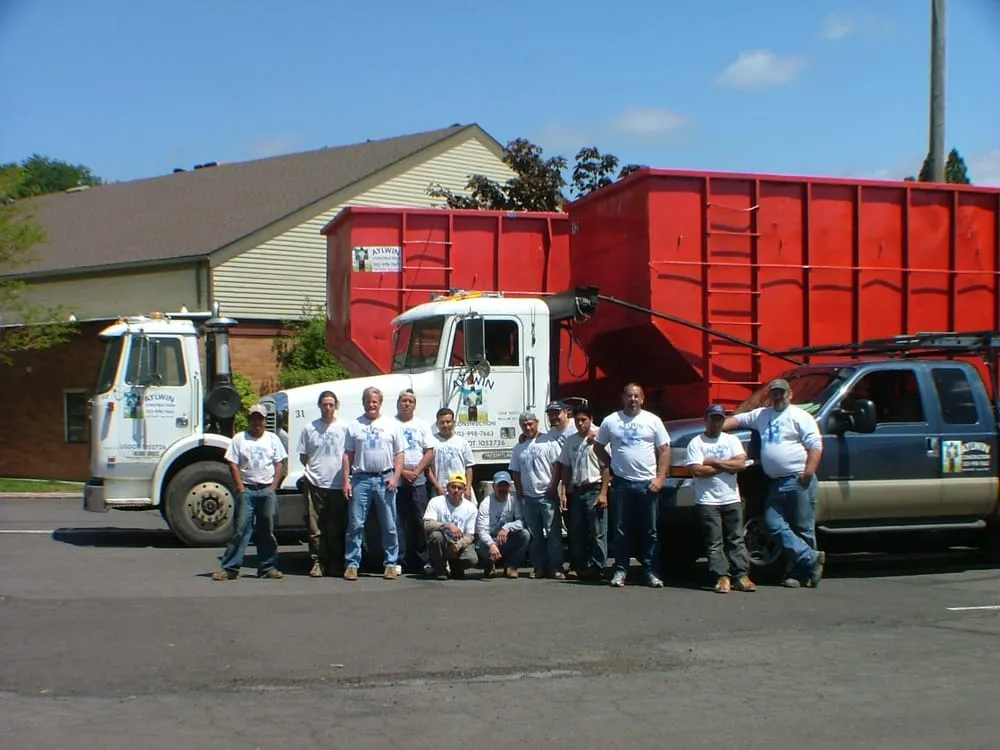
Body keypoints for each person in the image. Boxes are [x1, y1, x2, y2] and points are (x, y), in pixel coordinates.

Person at [723, 378, 826, 588]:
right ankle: (810, 558)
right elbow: (736, 421)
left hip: (798, 478)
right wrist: (712, 427)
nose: (777, 396)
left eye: (781, 392)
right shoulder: (762, 415)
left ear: (790, 395)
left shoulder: (800, 417)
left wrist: (809, 471)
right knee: (772, 522)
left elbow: (816, 445)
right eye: (774, 393)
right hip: (775, 482)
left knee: (803, 528)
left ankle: (804, 574)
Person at [593, 383, 669, 589]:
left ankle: (650, 571)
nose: (632, 399)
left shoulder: (653, 420)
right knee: (621, 530)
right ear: (623, 398)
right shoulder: (611, 421)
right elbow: (597, 446)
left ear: (642, 399)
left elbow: (664, 450)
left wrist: (660, 478)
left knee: (650, 531)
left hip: (647, 484)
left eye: (636, 396)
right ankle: (620, 570)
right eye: (629, 396)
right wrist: (610, 464)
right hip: (621, 484)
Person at [211, 404, 287, 581]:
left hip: (266, 489)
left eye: (260, 418)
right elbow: (233, 463)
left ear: (264, 420)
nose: (256, 422)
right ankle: (230, 568)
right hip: (248, 490)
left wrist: (273, 488)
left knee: (267, 530)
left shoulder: (272, 439)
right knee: (241, 529)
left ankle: (268, 567)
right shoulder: (239, 439)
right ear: (248, 420)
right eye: (253, 418)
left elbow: (280, 463)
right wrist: (240, 488)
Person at [685, 404, 756, 594]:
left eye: (719, 419)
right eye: (712, 418)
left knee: (736, 539)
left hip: (731, 497)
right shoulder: (696, 442)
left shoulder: (731, 440)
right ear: (705, 420)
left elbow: (741, 464)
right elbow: (697, 470)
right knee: (714, 541)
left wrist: (713, 462)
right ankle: (721, 576)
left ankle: (741, 575)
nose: (716, 422)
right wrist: (727, 465)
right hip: (708, 500)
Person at [342, 387, 405, 581]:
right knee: (355, 524)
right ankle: (352, 564)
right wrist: (346, 480)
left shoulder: (392, 425)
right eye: (368, 401)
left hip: (384, 479)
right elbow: (347, 455)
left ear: (380, 403)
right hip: (360, 479)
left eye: (375, 401)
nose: (372, 405)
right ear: (364, 403)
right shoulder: (354, 426)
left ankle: (391, 564)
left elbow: (399, 454)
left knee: (389, 524)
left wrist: (396, 477)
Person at [297, 390, 349, 578]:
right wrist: (316, 470)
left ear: (336, 406)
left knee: (336, 526)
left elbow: (349, 454)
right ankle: (318, 562)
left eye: (331, 404)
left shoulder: (344, 428)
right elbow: (304, 456)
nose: (328, 408)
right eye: (324, 404)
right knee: (314, 526)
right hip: (314, 482)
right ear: (319, 406)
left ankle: (335, 563)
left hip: (337, 484)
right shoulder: (309, 428)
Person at [509, 410, 565, 579]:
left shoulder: (548, 441)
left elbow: (557, 467)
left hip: (546, 495)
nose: (527, 427)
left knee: (553, 533)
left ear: (537, 423)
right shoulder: (519, 448)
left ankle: (556, 567)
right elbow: (516, 472)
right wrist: (519, 492)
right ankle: (539, 567)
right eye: (524, 425)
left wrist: (554, 487)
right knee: (535, 535)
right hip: (529, 497)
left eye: (530, 424)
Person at [558, 405, 610, 582]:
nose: (580, 424)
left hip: (594, 488)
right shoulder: (570, 441)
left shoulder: (599, 437)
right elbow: (566, 467)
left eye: (584, 420)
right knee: (577, 531)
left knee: (597, 531)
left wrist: (603, 493)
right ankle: (580, 567)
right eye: (578, 420)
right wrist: (564, 492)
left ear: (591, 419)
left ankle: (598, 568)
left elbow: (606, 467)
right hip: (577, 489)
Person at [394, 389, 435, 575]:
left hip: (418, 480)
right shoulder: (390, 424)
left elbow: (429, 451)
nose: (407, 404)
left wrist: (416, 472)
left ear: (415, 405)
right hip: (397, 480)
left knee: (420, 521)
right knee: (398, 521)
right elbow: (387, 451)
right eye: (403, 400)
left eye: (410, 401)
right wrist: (402, 472)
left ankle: (423, 560)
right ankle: (399, 560)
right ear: (398, 403)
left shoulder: (422, 425)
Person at [423, 472, 479, 579]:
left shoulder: (471, 507)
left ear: (464, 490)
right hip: (442, 541)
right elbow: (427, 524)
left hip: (459, 543)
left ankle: (455, 566)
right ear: (447, 488)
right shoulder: (436, 502)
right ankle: (440, 570)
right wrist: (447, 525)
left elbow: (471, 535)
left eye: (459, 488)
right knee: (435, 536)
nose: (456, 490)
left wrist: (458, 545)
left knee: (472, 559)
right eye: (453, 487)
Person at [475, 471, 531, 579]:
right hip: (491, 538)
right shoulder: (486, 503)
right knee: (480, 545)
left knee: (525, 534)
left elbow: (521, 522)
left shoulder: (514, 499)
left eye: (505, 486)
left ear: (510, 486)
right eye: (499, 485)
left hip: (507, 538)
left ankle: (512, 566)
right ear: (494, 487)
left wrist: (506, 528)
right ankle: (489, 565)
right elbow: (481, 530)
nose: (502, 489)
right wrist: (491, 544)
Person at [428, 407, 475, 501]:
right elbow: (428, 468)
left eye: (448, 422)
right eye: (442, 422)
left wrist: (468, 488)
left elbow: (469, 467)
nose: (445, 425)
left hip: (460, 488)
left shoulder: (462, 442)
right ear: (437, 424)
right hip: (441, 489)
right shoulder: (431, 442)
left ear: (453, 423)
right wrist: (438, 487)